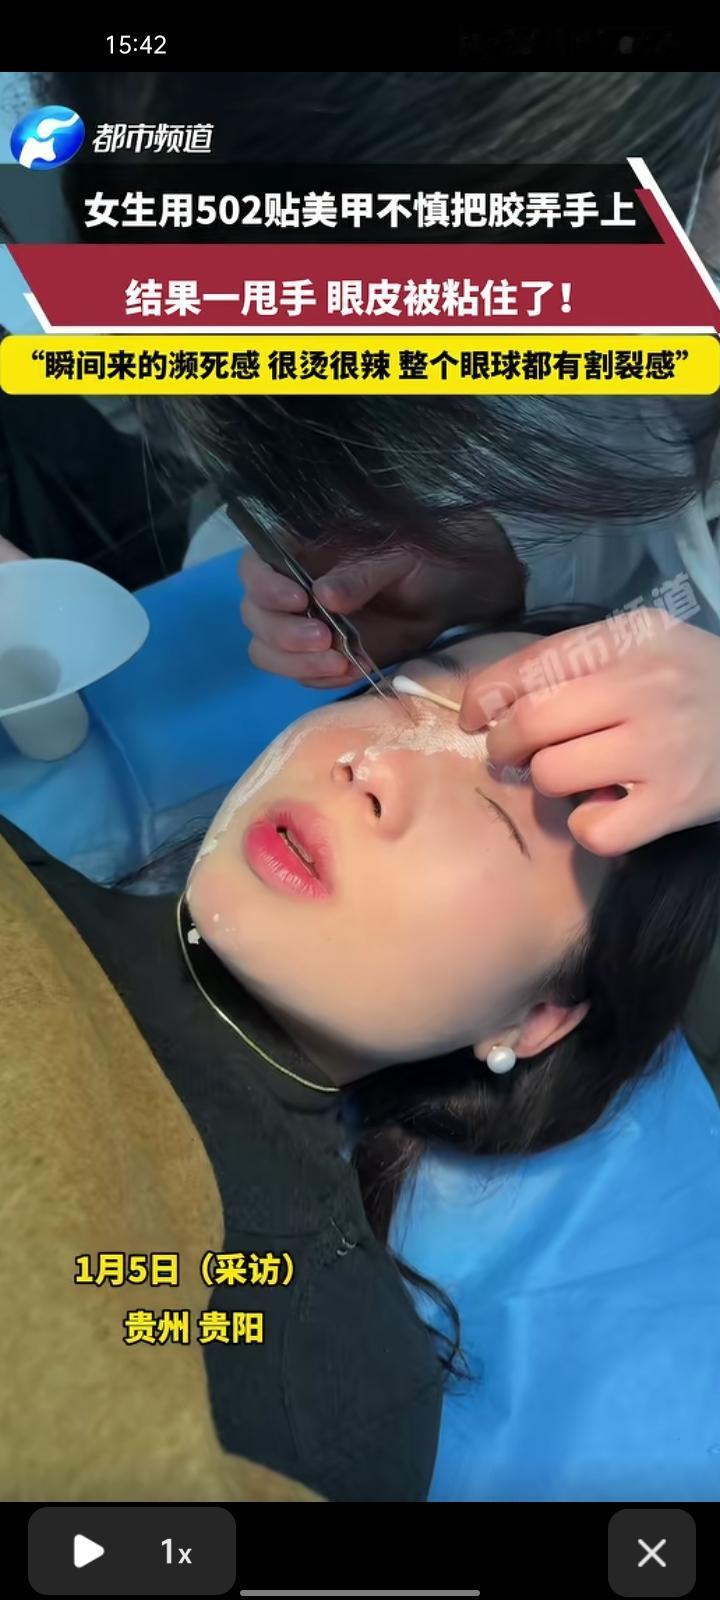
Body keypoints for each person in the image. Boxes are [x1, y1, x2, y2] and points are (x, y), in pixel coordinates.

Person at [2, 620, 719, 1501]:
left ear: (534, 1021)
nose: (376, 766)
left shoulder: (325, 1375)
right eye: (403, 694)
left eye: (499, 812)